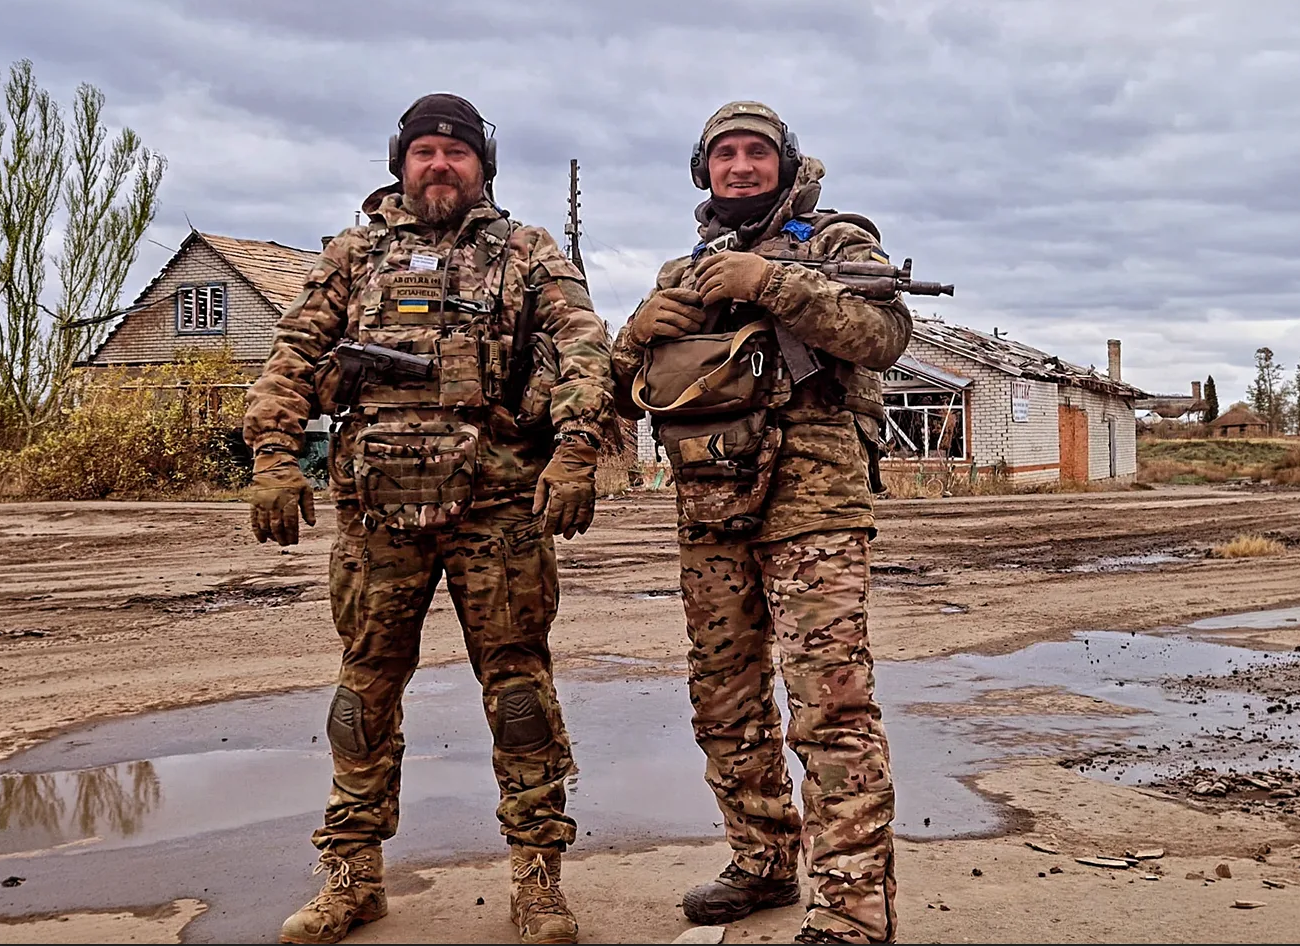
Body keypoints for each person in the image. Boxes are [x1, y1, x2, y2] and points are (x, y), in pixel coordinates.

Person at [241, 93, 614, 945]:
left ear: (482, 165)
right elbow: (292, 355)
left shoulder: (526, 253)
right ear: (398, 163)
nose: (438, 164)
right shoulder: (354, 256)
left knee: (520, 692)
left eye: (455, 151)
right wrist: (271, 457)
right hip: (376, 512)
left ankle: (538, 879)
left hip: (498, 508)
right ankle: (350, 875)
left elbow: (586, 347)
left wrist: (578, 448)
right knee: (363, 694)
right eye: (423, 152)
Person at [611, 101, 909, 944]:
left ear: (785, 161)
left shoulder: (838, 242)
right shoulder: (685, 267)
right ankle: (764, 859)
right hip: (709, 505)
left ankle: (852, 907)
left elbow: (885, 334)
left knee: (832, 706)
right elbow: (616, 384)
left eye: (757, 152)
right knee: (725, 699)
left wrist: (770, 285)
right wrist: (634, 335)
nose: (741, 166)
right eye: (724, 154)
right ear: (702, 169)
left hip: (812, 502)